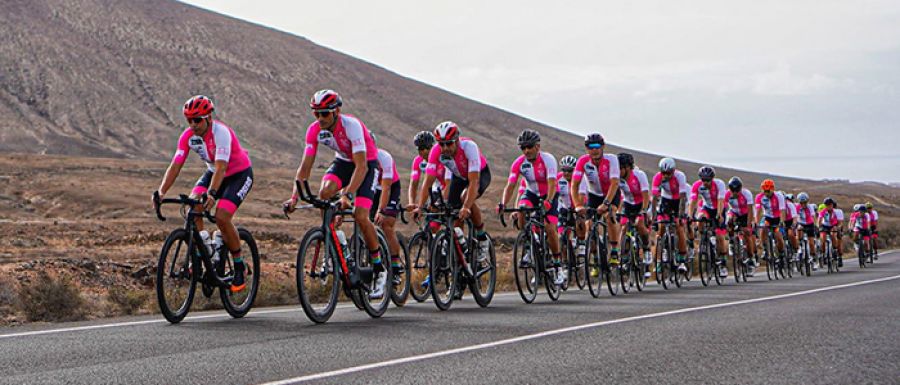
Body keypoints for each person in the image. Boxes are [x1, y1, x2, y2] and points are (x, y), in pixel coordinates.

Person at [282, 89, 387, 299]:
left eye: (325, 114)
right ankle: (334, 239)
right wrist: (294, 196)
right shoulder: (314, 130)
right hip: (342, 162)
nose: (320, 118)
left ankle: (379, 268)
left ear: (336, 111)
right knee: (324, 192)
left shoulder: (352, 126)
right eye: (316, 114)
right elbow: (304, 168)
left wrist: (347, 195)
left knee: (360, 215)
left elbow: (361, 167)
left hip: (366, 164)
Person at [154, 95, 254, 292]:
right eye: (189, 120)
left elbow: (221, 167)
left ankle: (239, 264)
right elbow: (176, 165)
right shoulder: (188, 137)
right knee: (193, 204)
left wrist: (213, 193)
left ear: (208, 117)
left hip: (238, 175)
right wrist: (161, 191)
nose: (193, 124)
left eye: (197, 119)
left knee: (222, 217)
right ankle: (204, 251)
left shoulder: (221, 133)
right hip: (212, 172)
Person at [411, 121, 492, 264]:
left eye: (449, 144)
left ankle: (482, 236)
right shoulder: (436, 151)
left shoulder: (469, 147)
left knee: (464, 198)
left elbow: (474, 181)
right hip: (459, 176)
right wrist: (420, 206)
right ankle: (460, 256)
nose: (445, 148)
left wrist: (466, 206)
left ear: (457, 140)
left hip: (478, 175)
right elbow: (428, 181)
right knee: (452, 211)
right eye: (441, 144)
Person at [499, 130, 564, 285]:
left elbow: (552, 183)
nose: (526, 151)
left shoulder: (548, 160)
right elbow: (511, 185)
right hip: (531, 194)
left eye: (529, 147)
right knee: (521, 209)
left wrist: (548, 201)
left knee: (549, 228)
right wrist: (503, 204)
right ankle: (528, 244)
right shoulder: (519, 163)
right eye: (523, 148)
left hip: (549, 194)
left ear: (537, 146)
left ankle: (557, 266)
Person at [571, 133, 621, 277]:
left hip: (611, 194)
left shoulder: (611, 160)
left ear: (603, 146)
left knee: (610, 215)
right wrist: (578, 205)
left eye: (597, 146)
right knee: (589, 226)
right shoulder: (583, 161)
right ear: (586, 149)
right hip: (593, 195)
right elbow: (574, 185)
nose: (594, 150)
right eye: (590, 147)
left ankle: (614, 251)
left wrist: (606, 203)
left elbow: (614, 183)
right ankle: (596, 258)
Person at [370, 138, 404, 285]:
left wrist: (381, 210)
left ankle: (396, 266)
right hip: (373, 189)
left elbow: (386, 188)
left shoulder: (384, 157)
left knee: (387, 224)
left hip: (390, 188)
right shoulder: (357, 157)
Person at [650, 157, 690, 272]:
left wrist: (681, 215)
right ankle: (658, 260)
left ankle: (682, 259)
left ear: (673, 171)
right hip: (666, 200)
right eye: (664, 173)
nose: (666, 175)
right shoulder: (657, 177)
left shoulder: (680, 176)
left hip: (678, 201)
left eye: (669, 173)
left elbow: (683, 198)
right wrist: (653, 219)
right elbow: (654, 199)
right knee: (661, 228)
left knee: (679, 226)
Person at [688, 166, 729, 278]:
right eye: (703, 180)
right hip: (707, 208)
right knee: (700, 217)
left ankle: (723, 264)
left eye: (708, 180)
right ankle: (703, 239)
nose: (705, 183)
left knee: (720, 237)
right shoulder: (697, 185)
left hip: (719, 208)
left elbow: (721, 200)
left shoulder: (719, 184)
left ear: (712, 179)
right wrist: (690, 216)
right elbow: (693, 201)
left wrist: (719, 214)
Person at [616, 153, 652, 277]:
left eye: (620, 168)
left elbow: (646, 195)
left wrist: (644, 211)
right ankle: (624, 257)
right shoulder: (617, 178)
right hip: (628, 203)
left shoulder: (639, 175)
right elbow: (617, 196)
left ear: (628, 168)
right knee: (623, 226)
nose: (618, 171)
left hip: (642, 203)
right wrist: (616, 211)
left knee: (639, 224)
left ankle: (647, 249)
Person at [724, 177, 758, 275]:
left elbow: (750, 210)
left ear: (741, 188)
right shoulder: (727, 194)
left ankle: (751, 260)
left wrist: (748, 225)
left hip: (746, 214)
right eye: (733, 190)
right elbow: (724, 208)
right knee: (729, 220)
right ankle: (731, 241)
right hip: (734, 212)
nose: (735, 193)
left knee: (747, 234)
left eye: (737, 190)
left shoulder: (746, 194)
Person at [754, 179, 787, 262]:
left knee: (778, 236)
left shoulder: (779, 196)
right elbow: (758, 211)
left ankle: (782, 252)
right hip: (767, 217)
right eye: (764, 191)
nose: (766, 193)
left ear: (772, 189)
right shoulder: (759, 197)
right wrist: (756, 223)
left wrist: (782, 222)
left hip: (777, 218)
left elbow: (782, 210)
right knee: (763, 228)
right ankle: (765, 249)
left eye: (768, 191)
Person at [795, 192, 819, 269]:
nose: (803, 204)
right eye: (801, 203)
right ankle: (799, 249)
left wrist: (816, 226)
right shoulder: (797, 207)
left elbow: (813, 216)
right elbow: (795, 217)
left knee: (811, 243)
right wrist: (794, 224)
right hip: (801, 223)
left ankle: (814, 259)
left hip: (809, 224)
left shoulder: (810, 207)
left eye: (805, 202)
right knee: (798, 232)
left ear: (807, 201)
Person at [817, 197, 840, 267]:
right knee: (823, 238)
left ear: (832, 205)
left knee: (833, 235)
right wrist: (819, 227)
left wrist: (838, 227)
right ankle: (823, 254)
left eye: (830, 205)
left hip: (834, 225)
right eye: (827, 205)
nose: (828, 206)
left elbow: (840, 222)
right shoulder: (823, 211)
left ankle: (835, 250)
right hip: (825, 226)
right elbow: (819, 220)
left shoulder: (836, 212)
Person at [782, 193, 801, 264]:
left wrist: (793, 225)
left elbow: (795, 217)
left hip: (790, 221)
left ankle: (796, 250)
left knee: (790, 234)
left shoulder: (790, 204)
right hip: (781, 222)